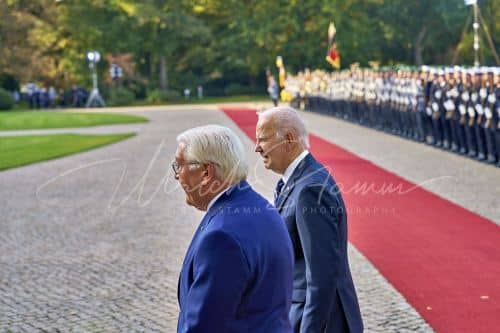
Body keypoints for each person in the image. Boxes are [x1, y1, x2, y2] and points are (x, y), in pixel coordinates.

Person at [174, 125, 294, 333]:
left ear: (206, 172)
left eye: (180, 165)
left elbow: (203, 326)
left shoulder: (221, 238)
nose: (177, 176)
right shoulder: (263, 208)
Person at [255, 106, 363, 333]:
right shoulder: (297, 179)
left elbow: (321, 274)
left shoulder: (309, 189)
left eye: (263, 139)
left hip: (321, 321)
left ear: (290, 138)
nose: (257, 148)